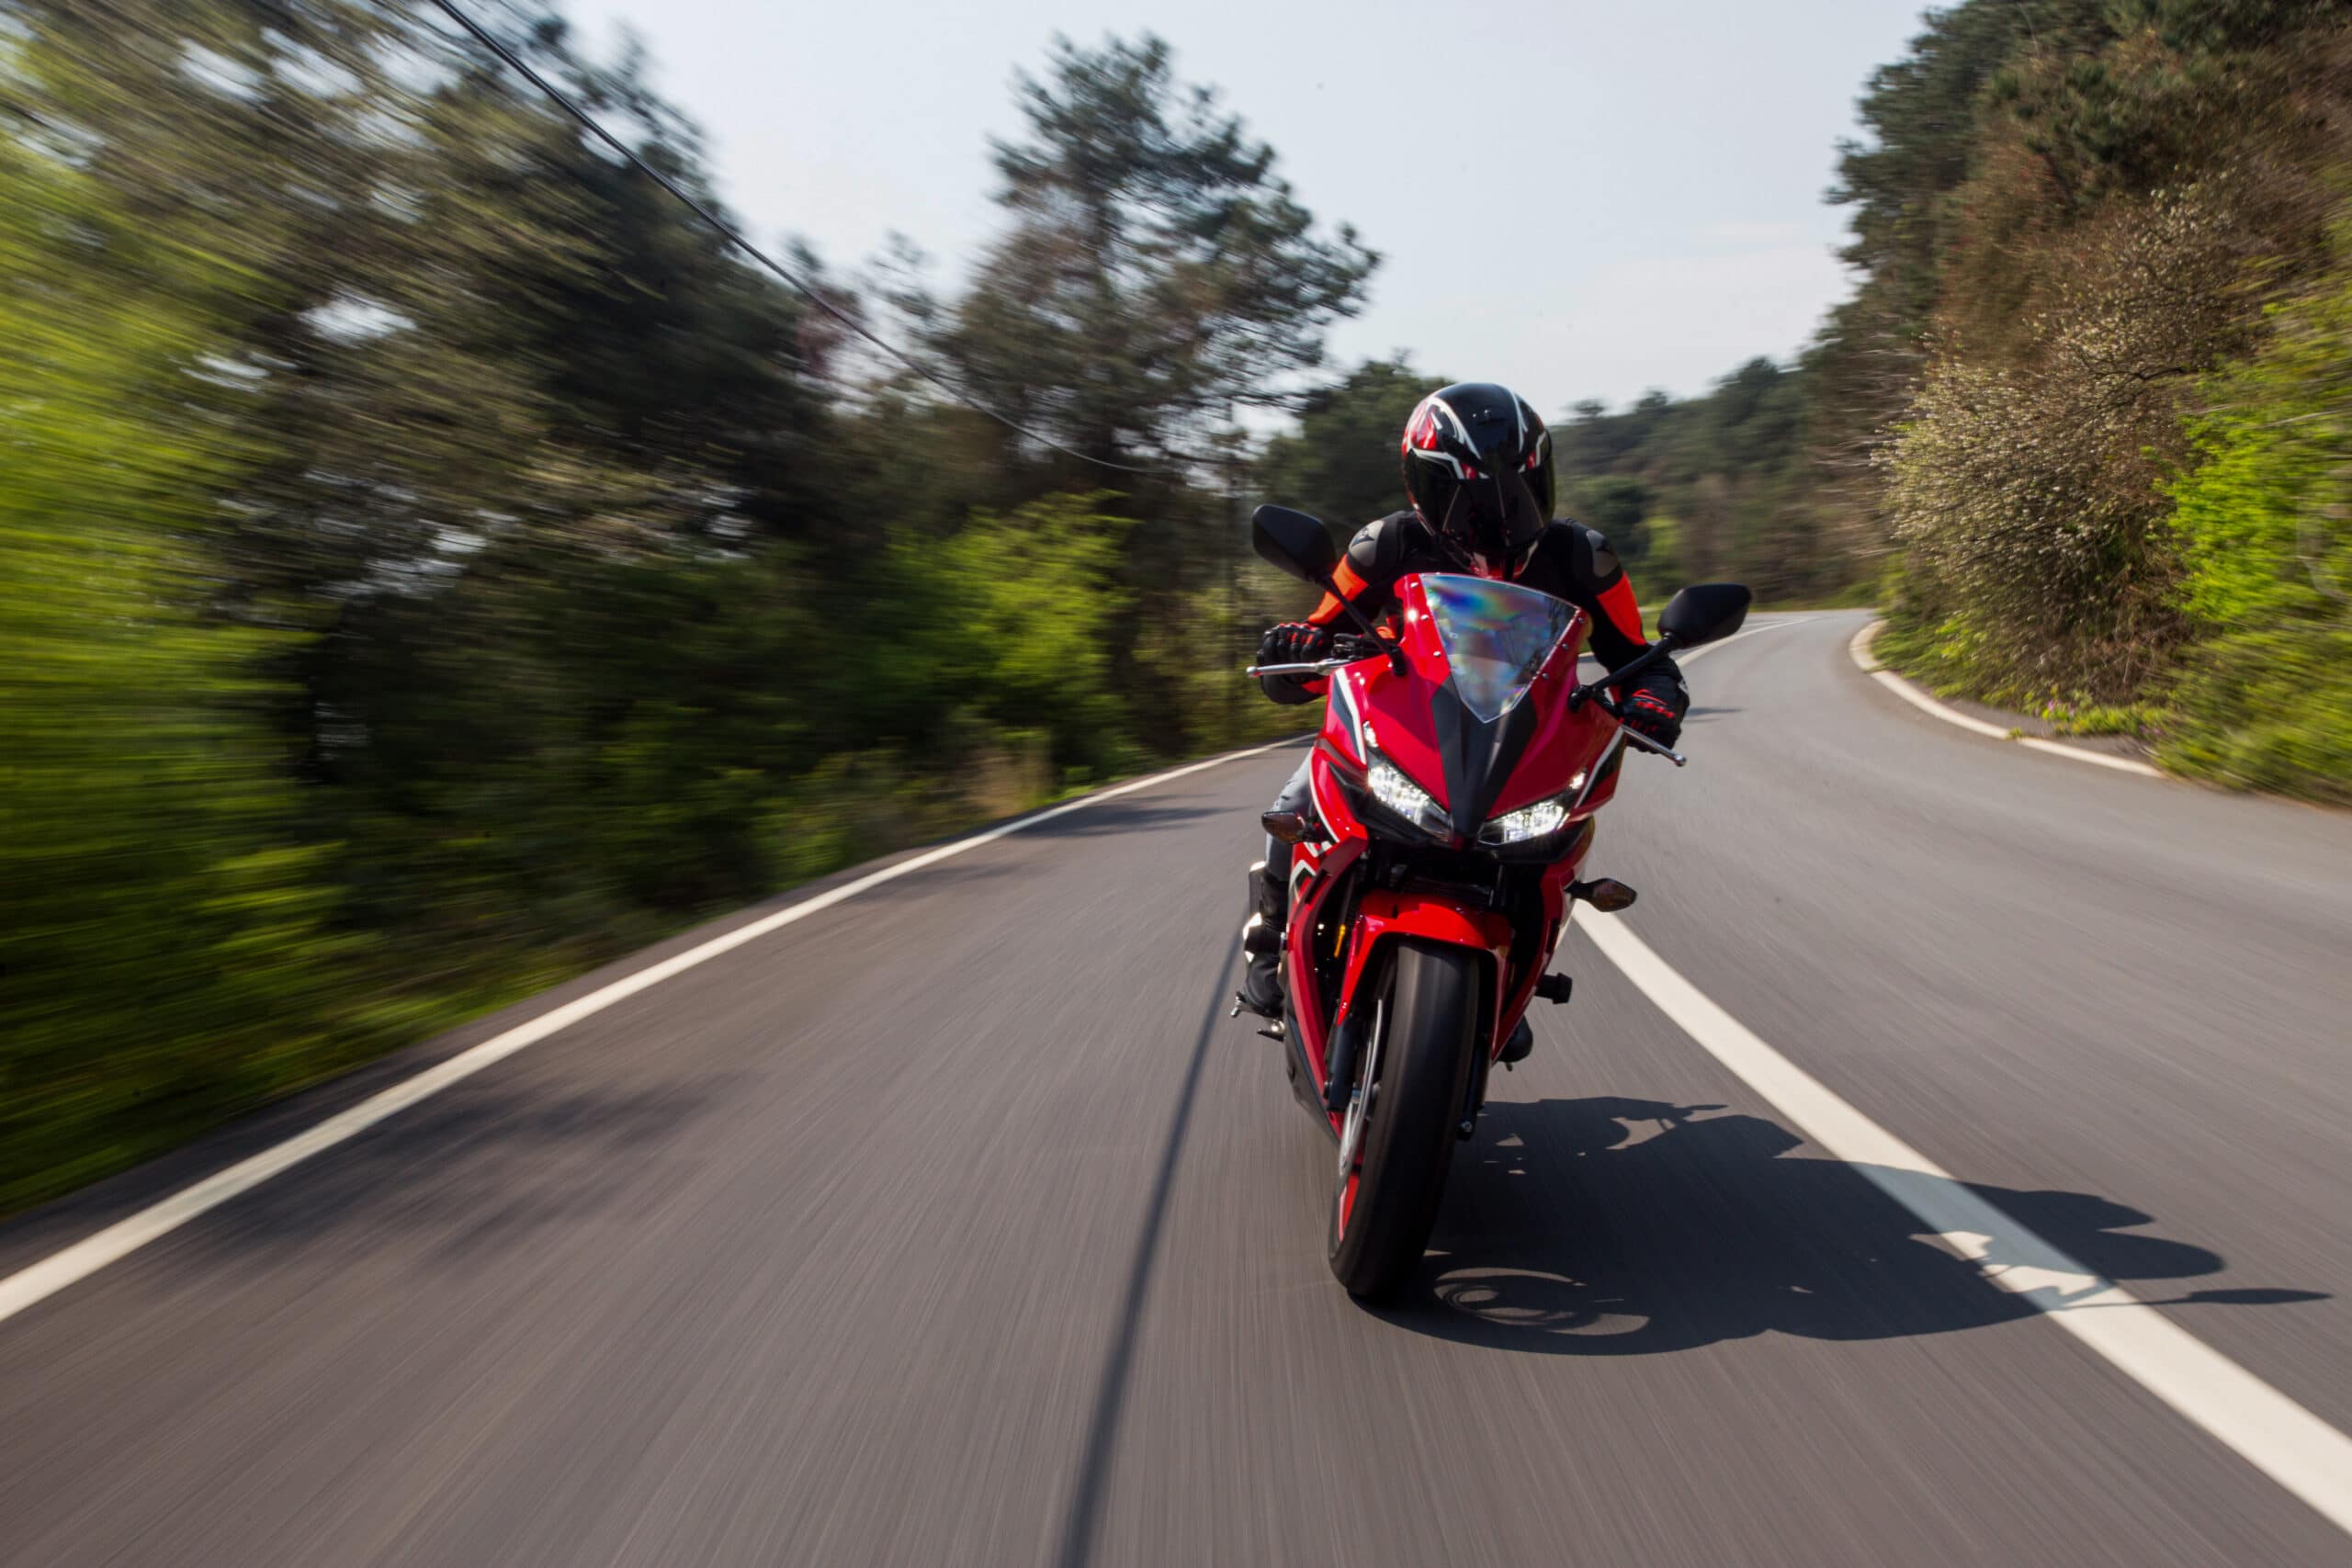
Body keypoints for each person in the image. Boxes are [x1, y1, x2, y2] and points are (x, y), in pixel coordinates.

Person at [1236, 382, 1688, 1045]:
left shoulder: (1582, 557)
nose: (1499, 516)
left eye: (1517, 491)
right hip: (1406, 725)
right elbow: (1323, 634)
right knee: (1302, 794)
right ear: (1426, 487)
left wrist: (1654, 699)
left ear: (1544, 476)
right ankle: (1269, 938)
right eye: (1472, 498)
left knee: (1564, 837)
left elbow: (1639, 657)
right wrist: (1297, 651)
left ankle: (1512, 973)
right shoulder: (1385, 545)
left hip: (1523, 744)